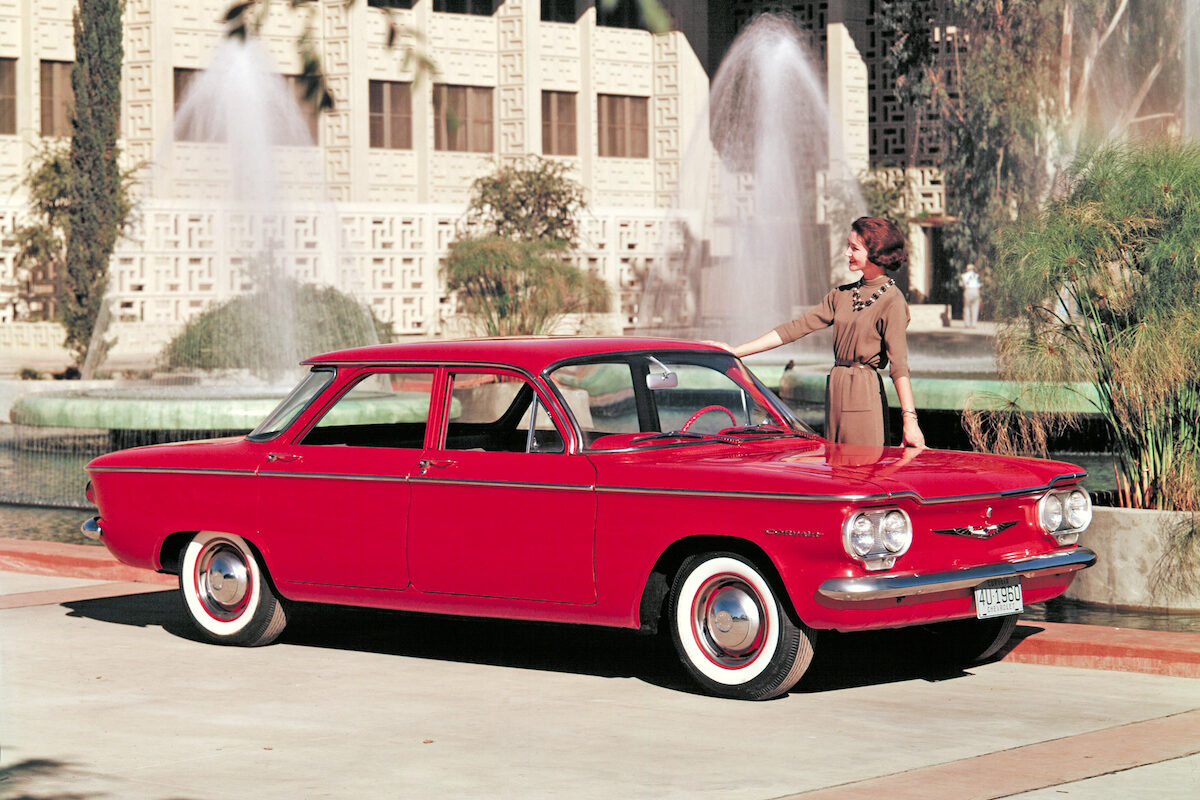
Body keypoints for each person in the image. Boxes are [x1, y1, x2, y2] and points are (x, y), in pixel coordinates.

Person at [715, 216, 925, 449]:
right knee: (835, 462)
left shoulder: (893, 301)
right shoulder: (841, 295)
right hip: (836, 388)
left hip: (863, 391)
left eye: (854, 248)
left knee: (863, 463)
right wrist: (736, 351)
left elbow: (899, 366)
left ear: (876, 253)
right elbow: (795, 328)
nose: (846, 253)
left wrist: (910, 420)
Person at [959, 262, 982, 328]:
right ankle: (974, 324)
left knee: (967, 307)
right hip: (975, 291)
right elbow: (979, 285)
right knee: (975, 308)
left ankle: (967, 324)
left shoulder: (963, 276)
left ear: (967, 269)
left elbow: (961, 284)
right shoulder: (976, 276)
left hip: (968, 291)